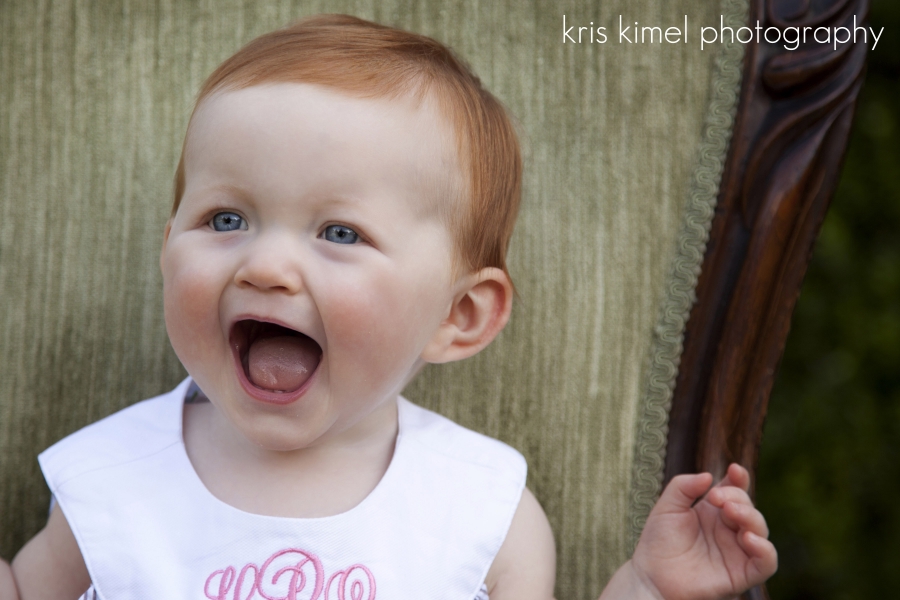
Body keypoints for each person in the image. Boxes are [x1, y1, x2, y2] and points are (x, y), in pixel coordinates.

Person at [0, 14, 776, 600]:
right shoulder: (112, 476)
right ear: (170, 245)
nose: (265, 265)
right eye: (226, 220)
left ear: (458, 316)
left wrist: (646, 587)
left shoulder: (478, 510)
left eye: (340, 232)